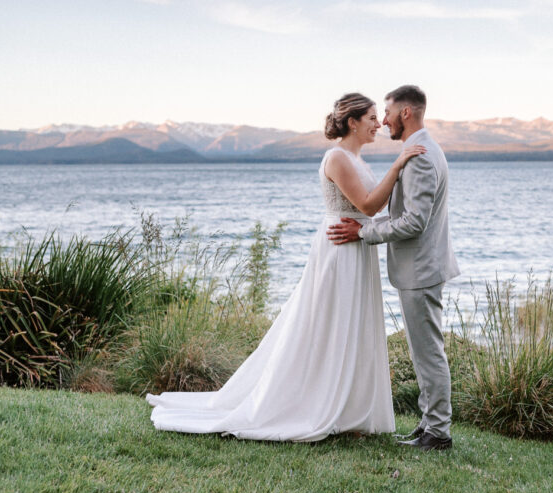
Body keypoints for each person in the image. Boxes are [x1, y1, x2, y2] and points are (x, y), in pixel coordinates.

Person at [145, 93, 425, 442]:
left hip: (357, 245)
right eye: (370, 117)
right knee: (331, 326)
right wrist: (398, 167)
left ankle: (351, 411)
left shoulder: (357, 159)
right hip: (340, 251)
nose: (378, 123)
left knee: (352, 325)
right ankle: (321, 406)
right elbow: (367, 206)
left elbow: (370, 209)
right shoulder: (337, 158)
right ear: (352, 122)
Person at [327, 85, 460, 451]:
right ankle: (429, 423)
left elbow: (414, 222)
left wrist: (365, 232)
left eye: (386, 113)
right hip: (422, 267)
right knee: (424, 351)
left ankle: (438, 433)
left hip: (421, 269)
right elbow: (405, 214)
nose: (383, 121)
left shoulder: (418, 156)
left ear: (405, 113)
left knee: (428, 352)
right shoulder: (423, 149)